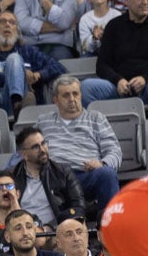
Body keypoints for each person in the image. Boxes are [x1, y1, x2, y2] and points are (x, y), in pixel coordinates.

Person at [35, 75, 121, 213]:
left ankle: (110, 227)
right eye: (66, 95)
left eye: (75, 94)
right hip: (54, 178)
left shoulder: (96, 118)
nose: (72, 99)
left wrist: (102, 164)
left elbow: (114, 151)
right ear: (56, 100)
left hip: (85, 175)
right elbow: (30, 147)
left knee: (107, 174)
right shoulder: (43, 122)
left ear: (81, 95)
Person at [0, 10, 64, 115]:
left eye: (12, 23)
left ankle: (17, 102)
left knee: (14, 58)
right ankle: (17, 108)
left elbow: (58, 67)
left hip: (24, 94)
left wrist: (38, 75)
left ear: (17, 31)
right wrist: (19, 75)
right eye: (3, 21)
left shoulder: (29, 52)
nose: (7, 25)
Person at [82, 0, 148, 106]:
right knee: (85, 87)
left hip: (146, 85)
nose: (145, 2)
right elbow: (101, 65)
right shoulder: (114, 26)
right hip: (118, 86)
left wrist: (144, 79)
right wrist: (118, 80)